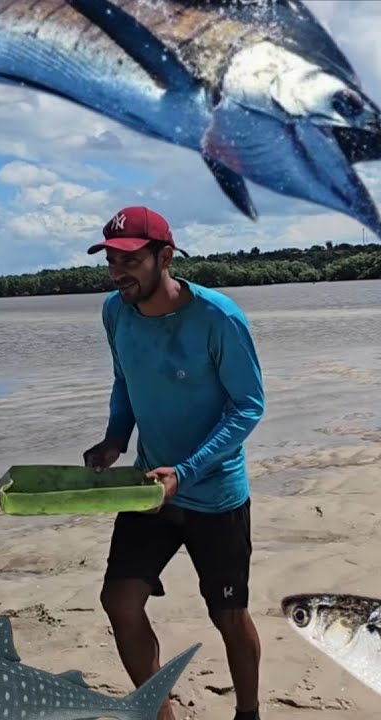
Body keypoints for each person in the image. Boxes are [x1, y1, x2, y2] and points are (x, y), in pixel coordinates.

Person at [82, 206, 266, 720]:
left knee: (228, 614)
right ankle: (160, 715)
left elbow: (248, 405)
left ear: (165, 256)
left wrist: (185, 472)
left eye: (131, 259)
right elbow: (125, 380)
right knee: (119, 602)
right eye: (111, 260)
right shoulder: (114, 311)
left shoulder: (218, 317)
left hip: (214, 494)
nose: (119, 271)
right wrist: (115, 439)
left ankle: (248, 714)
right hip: (149, 488)